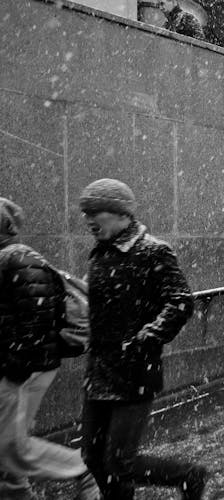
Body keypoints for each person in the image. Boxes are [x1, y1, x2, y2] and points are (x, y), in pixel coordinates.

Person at [78, 179, 207, 499]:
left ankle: (189, 475)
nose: (89, 220)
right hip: (99, 370)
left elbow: (180, 301)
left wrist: (146, 338)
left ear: (121, 213)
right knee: (92, 457)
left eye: (96, 212)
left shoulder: (153, 251)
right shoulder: (100, 254)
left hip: (134, 370)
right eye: (86, 213)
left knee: (120, 461)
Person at [0, 198, 99, 500]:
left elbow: (37, 319)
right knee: (8, 443)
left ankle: (81, 471)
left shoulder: (18, 258)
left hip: (26, 368)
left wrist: (15, 369)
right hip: (19, 364)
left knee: (8, 445)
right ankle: (15, 493)